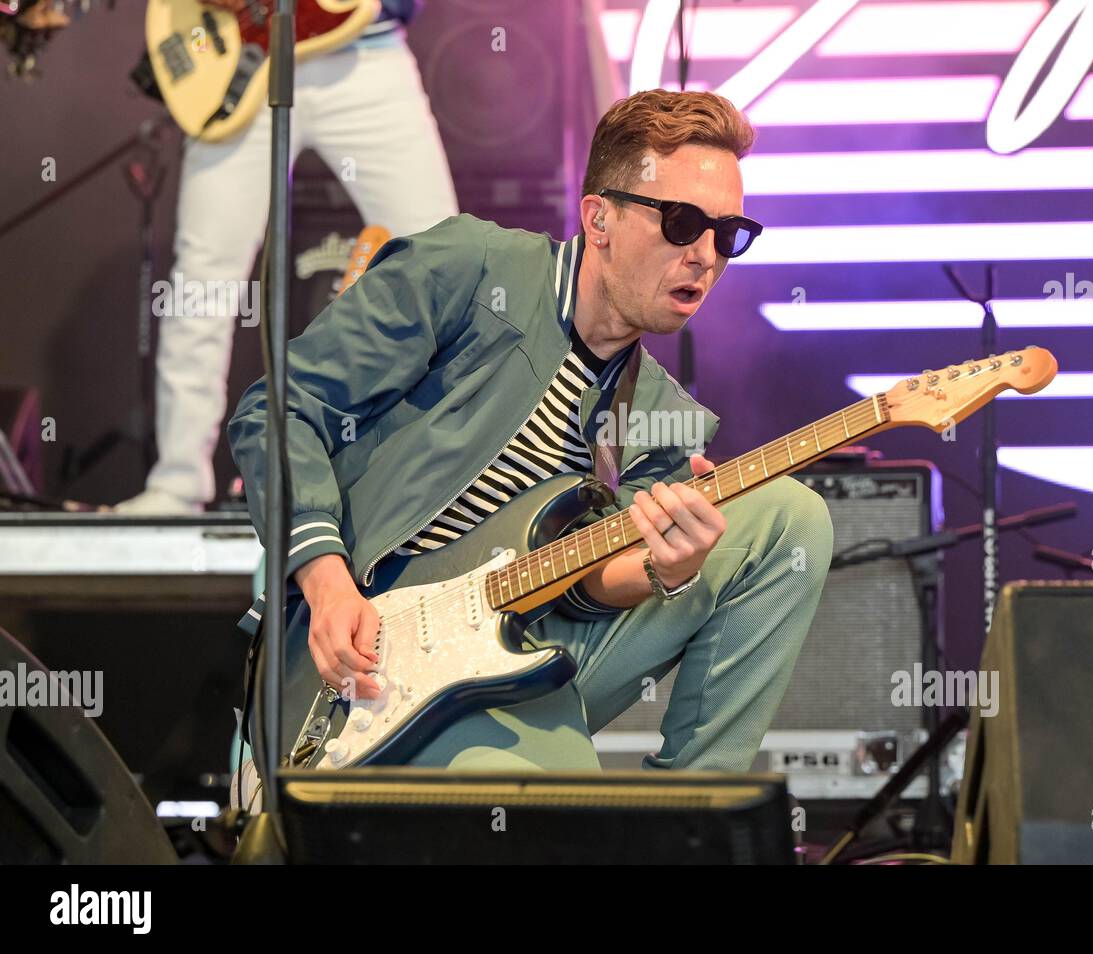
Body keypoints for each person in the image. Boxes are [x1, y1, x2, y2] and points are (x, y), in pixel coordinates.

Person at [229, 89, 834, 772]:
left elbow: (592, 585)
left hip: (515, 655)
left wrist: (668, 572)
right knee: (545, 814)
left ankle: (693, 821)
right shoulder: (467, 268)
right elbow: (278, 411)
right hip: (358, 649)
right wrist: (327, 582)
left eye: (728, 235)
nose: (705, 255)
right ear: (599, 219)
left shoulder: (659, 417)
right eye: (682, 222)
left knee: (792, 519)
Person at [116, 0, 458, 514]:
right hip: (242, 57)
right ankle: (177, 483)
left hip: (365, 55)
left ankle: (462, 479)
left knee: (448, 263)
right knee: (202, 280)